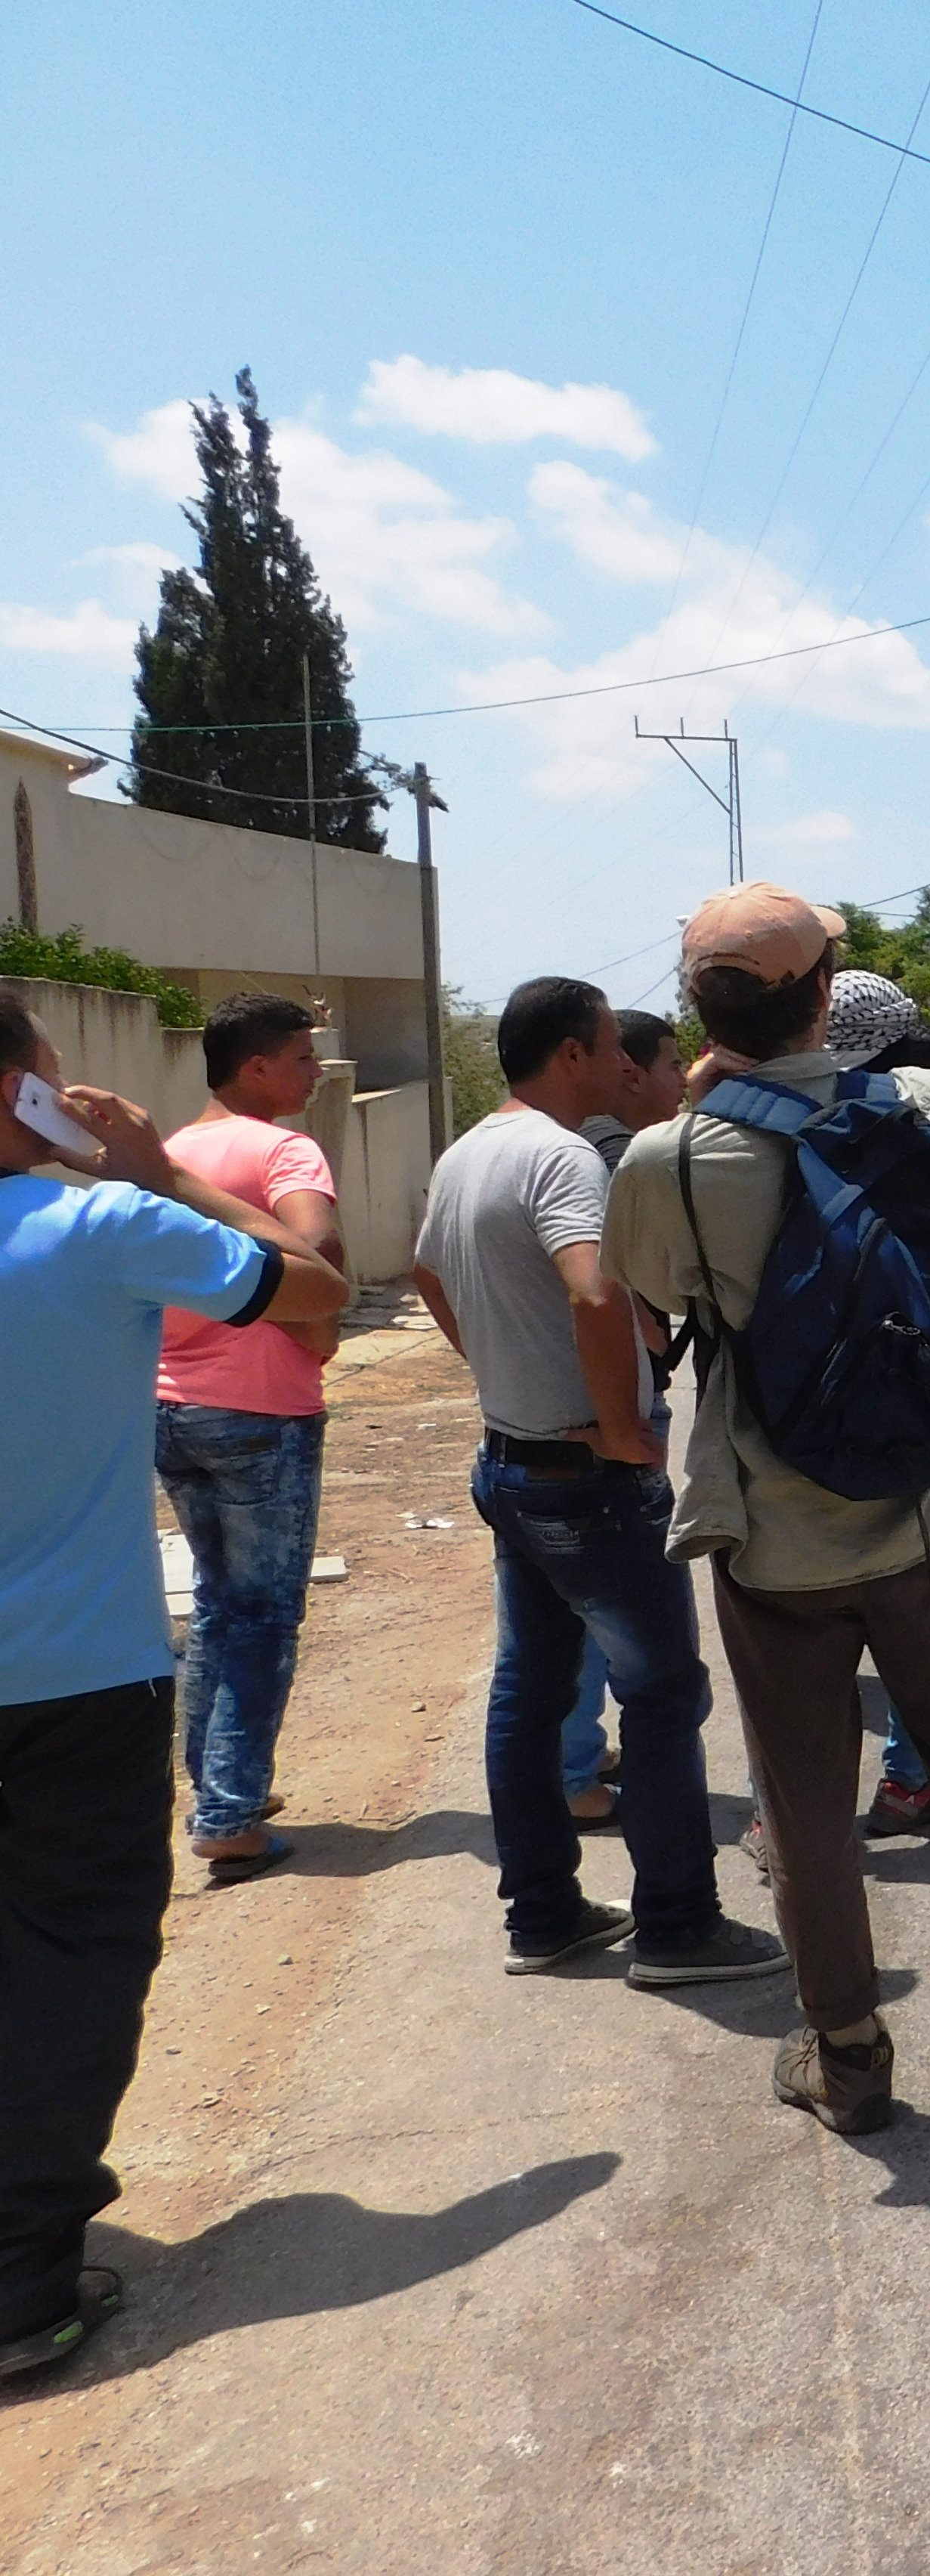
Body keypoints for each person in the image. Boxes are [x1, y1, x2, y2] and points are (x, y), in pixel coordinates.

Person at [606, 878, 930, 2136]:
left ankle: (847, 2053)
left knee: (802, 1806)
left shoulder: (666, 1162)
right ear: (826, 996)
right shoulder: (926, 1112)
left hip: (775, 1542)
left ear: (699, 1008)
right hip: (929, 1517)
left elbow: (656, 1296)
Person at [1, 986, 348, 2381]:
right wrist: (152, 1171)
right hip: (74, 1676)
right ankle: (23, 2278)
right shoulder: (106, 1225)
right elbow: (319, 1294)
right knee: (74, 1956)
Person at [414, 979, 784, 1991]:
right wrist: (624, 1428)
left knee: (527, 1698)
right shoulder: (562, 1157)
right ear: (571, 1054)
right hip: (584, 1480)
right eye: (613, 1047)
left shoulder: (468, 1153)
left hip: (511, 1462)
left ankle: (544, 1915)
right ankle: (677, 1924)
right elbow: (593, 1285)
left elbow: (429, 1276)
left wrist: (501, 1373)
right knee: (663, 1693)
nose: (626, 1067)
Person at [153, 992, 348, 1881]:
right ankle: (229, 1814)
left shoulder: (162, 1158)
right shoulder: (284, 1149)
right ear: (256, 1068)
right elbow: (314, 1255)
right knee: (264, 1613)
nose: (314, 1072)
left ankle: (220, 1783)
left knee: (219, 1605)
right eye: (302, 1057)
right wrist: (318, 1334)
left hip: (173, 1404)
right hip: (262, 1407)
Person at [561, 1008, 688, 1824]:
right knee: (613, 1612)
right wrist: (647, 1330)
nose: (682, 1081)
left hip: (580, 1408)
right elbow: (603, 1285)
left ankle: (574, 1755)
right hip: (606, 1414)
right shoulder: (613, 1154)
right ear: (632, 1070)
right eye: (673, 1064)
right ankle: (579, 1768)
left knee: (569, 1609)